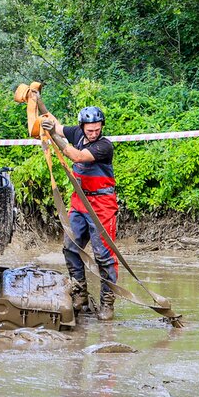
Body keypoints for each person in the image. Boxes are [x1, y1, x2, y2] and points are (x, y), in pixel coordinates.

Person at [41, 107, 119, 321]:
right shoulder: (77, 133)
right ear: (83, 127)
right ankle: (80, 293)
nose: (94, 133)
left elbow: (75, 155)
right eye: (90, 130)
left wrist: (55, 136)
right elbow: (55, 124)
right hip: (80, 201)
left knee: (104, 255)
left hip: (101, 204)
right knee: (70, 247)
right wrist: (41, 106)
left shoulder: (104, 146)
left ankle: (107, 302)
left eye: (97, 129)